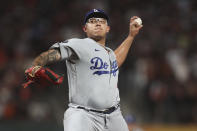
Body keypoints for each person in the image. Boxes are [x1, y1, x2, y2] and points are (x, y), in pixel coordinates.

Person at [26, 9, 142, 131]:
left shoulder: (109, 53)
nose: (97, 23)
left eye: (102, 21)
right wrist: (36, 65)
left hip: (114, 116)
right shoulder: (78, 45)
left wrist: (131, 36)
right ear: (85, 28)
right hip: (83, 115)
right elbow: (51, 54)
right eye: (92, 21)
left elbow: (115, 60)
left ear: (108, 28)